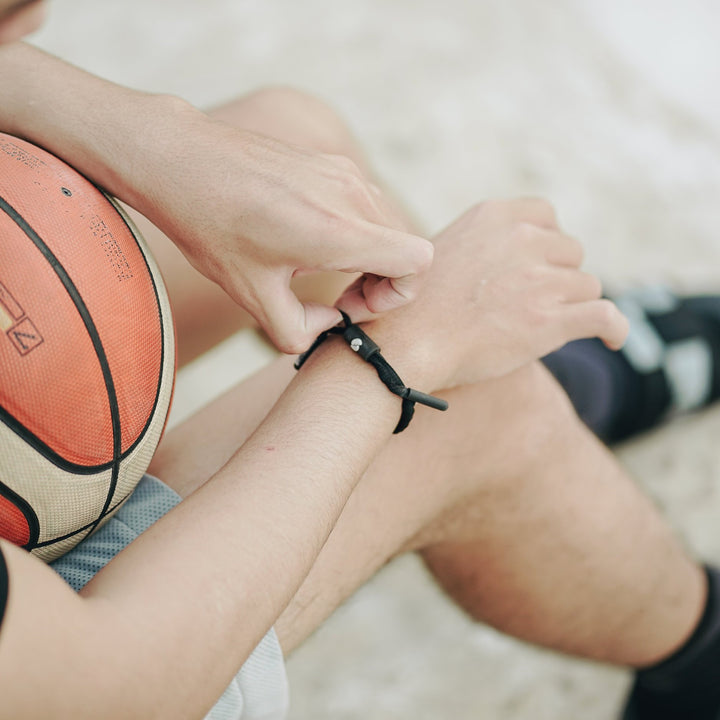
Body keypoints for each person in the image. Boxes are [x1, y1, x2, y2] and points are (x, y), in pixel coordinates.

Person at [1, 7, 720, 720]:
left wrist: (158, 141)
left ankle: (544, 387)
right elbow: (115, 688)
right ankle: (700, 659)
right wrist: (396, 358)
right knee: (463, 411)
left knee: (286, 137)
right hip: (83, 676)